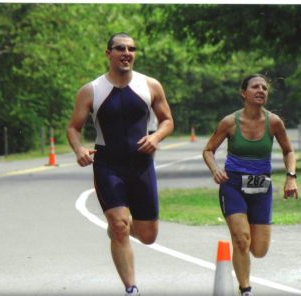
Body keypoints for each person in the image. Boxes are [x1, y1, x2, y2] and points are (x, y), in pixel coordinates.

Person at [66, 32, 174, 295]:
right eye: (120, 48)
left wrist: (156, 137)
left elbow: (167, 120)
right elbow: (73, 128)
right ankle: (131, 288)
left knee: (148, 236)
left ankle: (119, 231)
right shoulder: (92, 90)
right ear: (108, 54)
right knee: (119, 224)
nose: (127, 52)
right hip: (108, 165)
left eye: (131, 48)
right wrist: (79, 148)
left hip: (141, 165)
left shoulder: (150, 85)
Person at [202, 74, 298, 296]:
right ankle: (246, 289)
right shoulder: (229, 122)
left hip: (261, 187)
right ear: (243, 93)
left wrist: (291, 176)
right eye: (255, 87)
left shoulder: (274, 122)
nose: (261, 90)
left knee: (259, 249)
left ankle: (243, 263)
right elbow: (208, 150)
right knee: (241, 238)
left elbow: (288, 151)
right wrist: (215, 169)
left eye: (264, 88)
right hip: (233, 184)